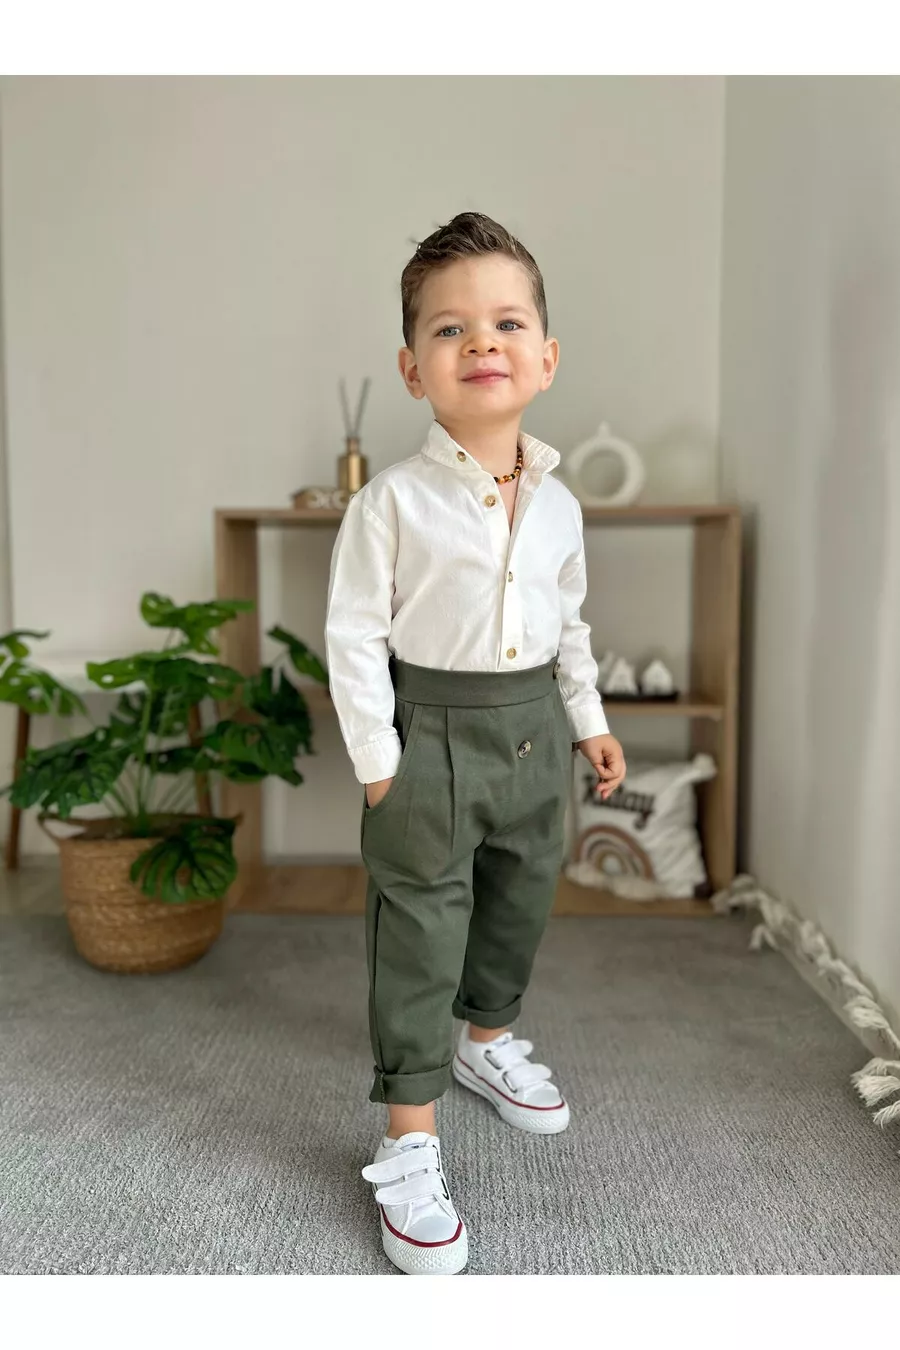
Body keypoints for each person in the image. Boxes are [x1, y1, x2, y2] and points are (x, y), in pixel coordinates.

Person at [324, 211, 626, 1275]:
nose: (481, 342)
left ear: (546, 357)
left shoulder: (560, 508)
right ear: (415, 369)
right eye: (450, 329)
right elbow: (353, 638)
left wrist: (589, 722)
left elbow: (569, 626)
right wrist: (380, 768)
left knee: (517, 903)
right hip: (431, 739)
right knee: (419, 932)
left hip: (535, 732)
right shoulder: (390, 503)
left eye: (506, 323)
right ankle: (408, 1138)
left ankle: (486, 1042)